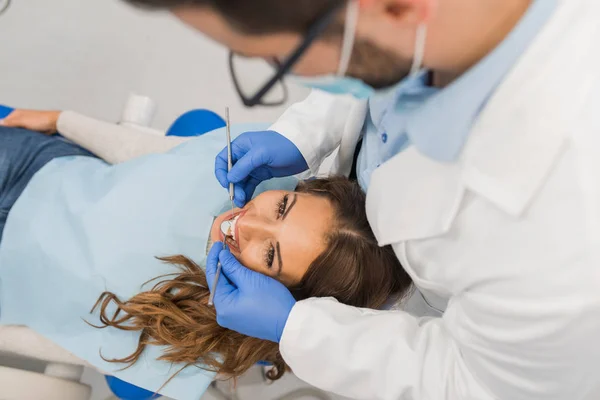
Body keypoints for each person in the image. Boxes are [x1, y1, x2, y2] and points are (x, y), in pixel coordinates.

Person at [120, 0, 600, 399]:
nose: (247, 224)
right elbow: (374, 62)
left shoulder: (563, 242)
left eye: (279, 60)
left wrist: (302, 330)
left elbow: (472, 383)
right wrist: (302, 133)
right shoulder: (426, 32)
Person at [0, 109, 412, 397]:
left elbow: (66, 341)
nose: (247, 223)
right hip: (46, 168)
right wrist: (62, 120)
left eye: (270, 255)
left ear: (283, 298)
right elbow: (153, 151)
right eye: (282, 208)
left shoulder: (201, 336)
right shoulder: (263, 169)